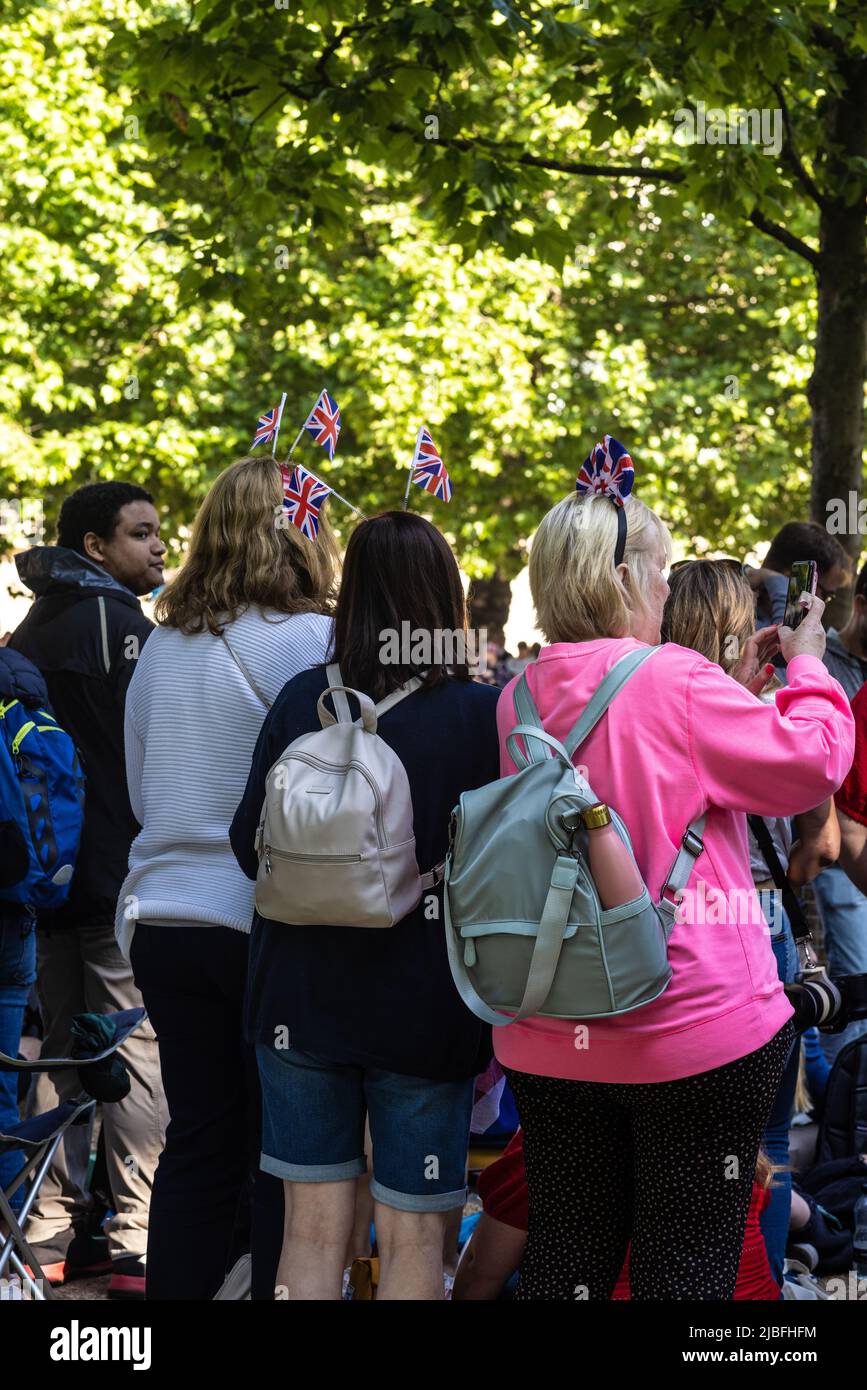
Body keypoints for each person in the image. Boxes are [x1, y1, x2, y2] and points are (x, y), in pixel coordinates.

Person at [492, 456, 854, 1300]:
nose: (664, 588)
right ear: (622, 578)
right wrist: (806, 665)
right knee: (686, 1268)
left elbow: (646, 761)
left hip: (550, 1029)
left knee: (569, 1261)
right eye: (657, 569)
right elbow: (811, 765)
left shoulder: (521, 694)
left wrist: (733, 689)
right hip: (687, 1029)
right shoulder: (674, 680)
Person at [231, 511, 500, 1301]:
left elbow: (249, 842)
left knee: (310, 1230)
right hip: (425, 1005)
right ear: (442, 599)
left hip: (296, 997)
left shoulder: (300, 702)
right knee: (416, 1233)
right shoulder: (480, 717)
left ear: (351, 597)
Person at [122, 456, 337, 1300]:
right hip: (261, 923)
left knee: (199, 1142)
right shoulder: (312, 641)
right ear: (298, 532)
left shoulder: (158, 647)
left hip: (163, 917)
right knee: (287, 1153)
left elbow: (142, 789)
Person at [660, 558, 839, 1290]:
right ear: (737, 636)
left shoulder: (658, 702)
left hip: (669, 939)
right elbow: (819, 815)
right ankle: (762, 1286)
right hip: (746, 934)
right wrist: (803, 671)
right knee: (764, 1138)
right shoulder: (755, 717)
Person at [7, 482, 167, 1296]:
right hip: (113, 878)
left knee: (60, 1052)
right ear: (96, 547)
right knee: (131, 1048)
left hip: (43, 881)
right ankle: (138, 1231)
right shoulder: (123, 628)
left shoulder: (28, 628)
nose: (159, 549)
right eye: (141, 535)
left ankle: (48, 1227)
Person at [745, 520, 851, 634]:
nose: (822, 604)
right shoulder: (732, 603)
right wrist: (779, 582)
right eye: (825, 595)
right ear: (793, 578)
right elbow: (787, 642)